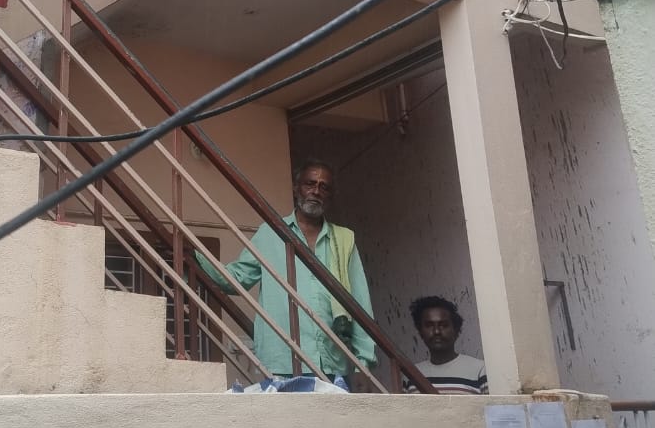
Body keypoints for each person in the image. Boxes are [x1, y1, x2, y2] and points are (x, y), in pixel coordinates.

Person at [195, 159, 376, 387]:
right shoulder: (271, 233)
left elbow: (360, 303)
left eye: (324, 187)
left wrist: (363, 363)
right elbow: (236, 278)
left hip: (332, 360)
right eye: (310, 183)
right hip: (282, 359)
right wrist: (196, 255)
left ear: (330, 196)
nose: (316, 191)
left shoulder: (344, 239)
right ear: (296, 188)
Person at [403, 296, 488, 394]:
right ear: (420, 332)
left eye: (443, 325)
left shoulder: (480, 370)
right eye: (429, 325)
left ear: (456, 330)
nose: (436, 331)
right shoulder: (411, 375)